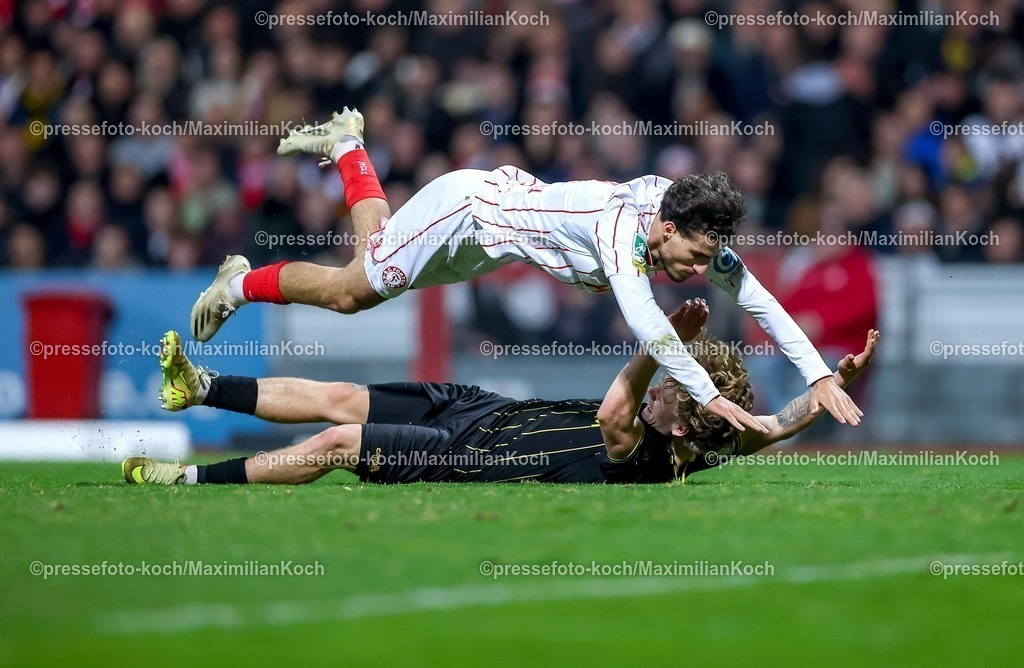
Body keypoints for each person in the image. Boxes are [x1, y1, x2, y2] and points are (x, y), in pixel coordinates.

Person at [189, 108, 863, 435]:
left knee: (367, 273)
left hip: (493, 242)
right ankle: (241, 281)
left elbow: (755, 294)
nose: (696, 269)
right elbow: (652, 330)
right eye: (690, 255)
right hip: (467, 212)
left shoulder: (688, 224)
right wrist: (711, 398)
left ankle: (346, 145)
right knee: (348, 292)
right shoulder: (623, 234)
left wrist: (819, 373)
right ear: (665, 229)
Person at [122, 300, 879, 487]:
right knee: (343, 396)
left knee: (336, 443)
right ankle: (202, 385)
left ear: (678, 430)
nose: (664, 400)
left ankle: (183, 480)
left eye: (674, 399)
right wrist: (827, 386)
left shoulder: (641, 447)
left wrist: (662, 344)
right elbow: (768, 426)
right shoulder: (708, 442)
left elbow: (621, 399)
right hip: (481, 405)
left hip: (475, 451)